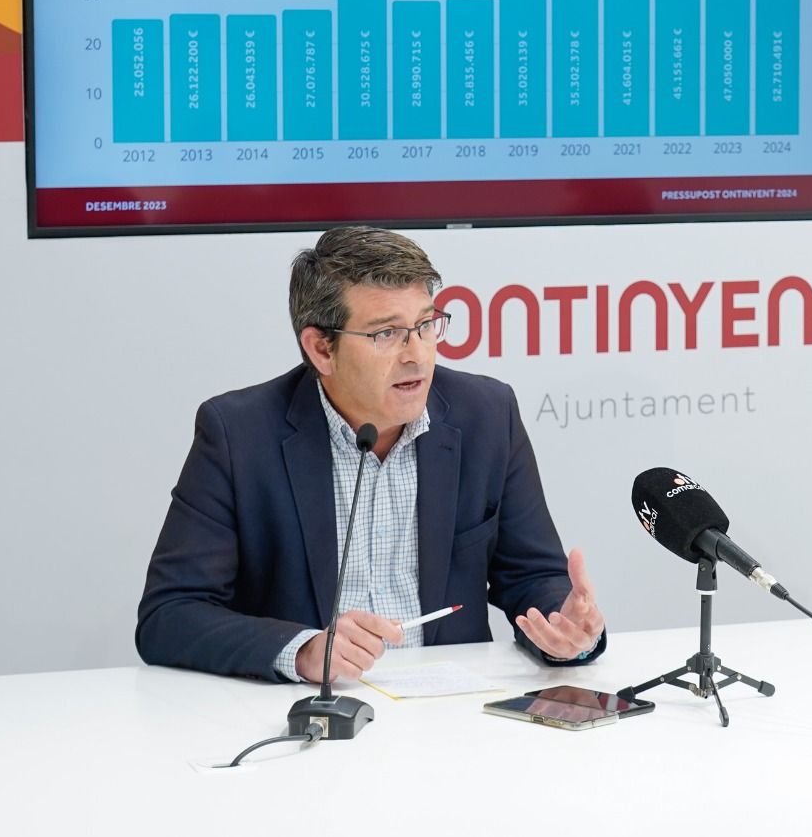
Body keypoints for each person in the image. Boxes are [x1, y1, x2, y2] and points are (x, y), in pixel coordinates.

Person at [136, 226, 605, 682]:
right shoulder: (239, 434)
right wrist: (302, 650)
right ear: (322, 349)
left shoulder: (486, 415)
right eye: (387, 334)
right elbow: (169, 614)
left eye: (425, 326)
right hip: (310, 711)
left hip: (452, 710)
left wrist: (566, 626)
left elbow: (532, 577)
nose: (417, 355)